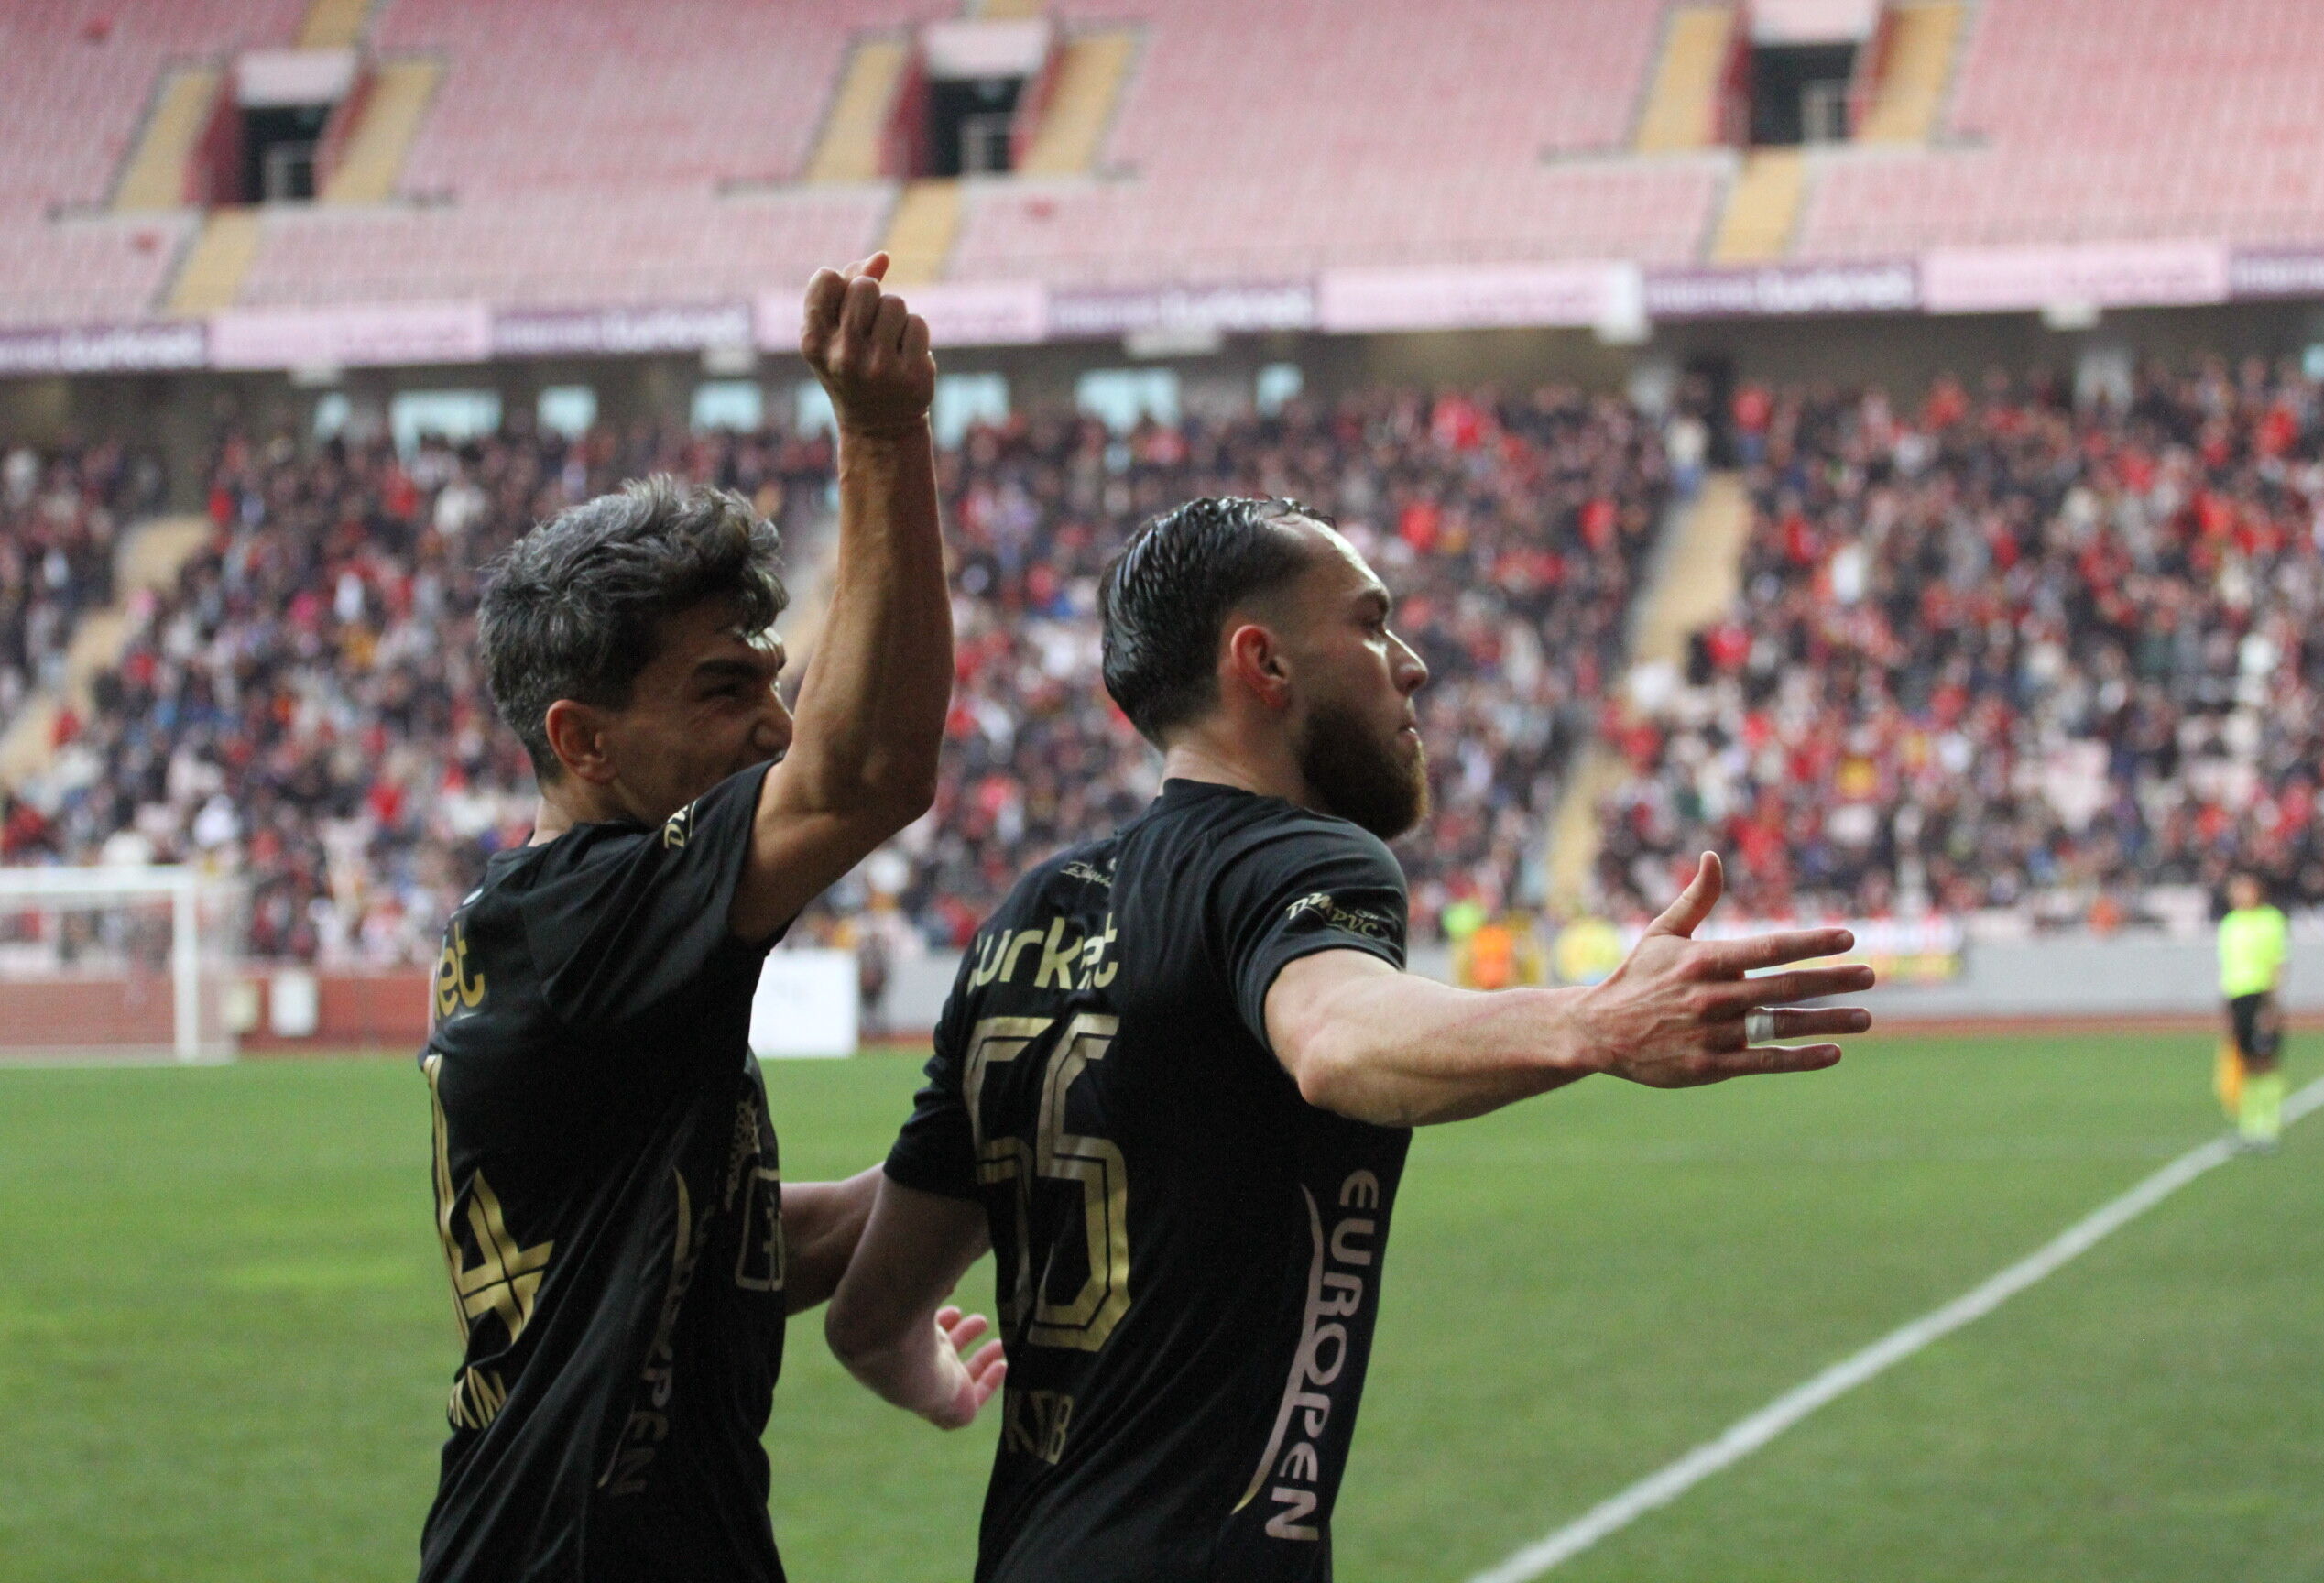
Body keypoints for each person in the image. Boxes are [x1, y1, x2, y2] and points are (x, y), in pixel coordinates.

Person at [822, 497, 1877, 1581]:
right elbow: (1332, 1034)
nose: (1410, 664)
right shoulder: (1298, 857)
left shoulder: (1026, 917)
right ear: (1264, 663)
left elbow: (869, 1318)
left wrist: (937, 1384)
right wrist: (1593, 1022)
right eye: (1371, 624)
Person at [415, 254, 1002, 1583]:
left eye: (774, 682)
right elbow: (868, 771)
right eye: (727, 691)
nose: (777, 728)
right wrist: (885, 433)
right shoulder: (588, 915)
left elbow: (716, 1245)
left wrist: (989, 1155)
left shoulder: (572, 936)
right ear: (584, 740)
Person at [2217, 872, 2289, 1149]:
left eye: (2244, 889)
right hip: (2237, 997)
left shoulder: (2270, 920)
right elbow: (2227, 967)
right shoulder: (2230, 924)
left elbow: (2278, 963)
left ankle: (2268, 1125)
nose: (2239, 895)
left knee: (2265, 1061)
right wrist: (2226, 1007)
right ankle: (2248, 1127)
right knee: (2244, 1062)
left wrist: (2270, 1004)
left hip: (2260, 996)